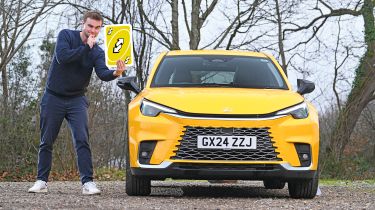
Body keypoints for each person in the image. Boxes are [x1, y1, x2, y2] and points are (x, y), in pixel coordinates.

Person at [28, 11, 126, 195]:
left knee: (82, 140)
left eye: (97, 28)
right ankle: (41, 181)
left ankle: (87, 183)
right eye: (90, 26)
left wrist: (116, 73)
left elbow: (103, 74)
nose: (93, 31)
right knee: (46, 141)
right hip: (53, 97)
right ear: (83, 24)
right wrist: (86, 48)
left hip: (77, 100)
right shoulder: (66, 35)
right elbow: (63, 57)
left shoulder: (97, 52)